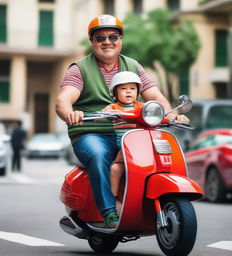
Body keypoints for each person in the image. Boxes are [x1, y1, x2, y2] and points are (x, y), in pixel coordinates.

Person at [55, 14, 189, 228]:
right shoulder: (79, 69)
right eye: (100, 38)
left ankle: (146, 205)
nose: (107, 42)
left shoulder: (133, 66)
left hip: (130, 132)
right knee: (99, 155)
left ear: (120, 39)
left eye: (112, 36)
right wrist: (70, 113)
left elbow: (155, 96)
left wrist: (171, 113)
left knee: (155, 155)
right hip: (91, 133)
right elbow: (63, 99)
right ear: (92, 42)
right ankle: (108, 212)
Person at [102, 71, 144, 215]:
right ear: (115, 92)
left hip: (143, 146)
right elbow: (104, 113)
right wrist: (105, 112)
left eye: (132, 88)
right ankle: (113, 200)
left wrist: (174, 116)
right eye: (123, 88)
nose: (128, 92)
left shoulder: (142, 106)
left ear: (138, 91)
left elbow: (157, 112)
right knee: (115, 169)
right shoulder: (114, 108)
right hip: (125, 146)